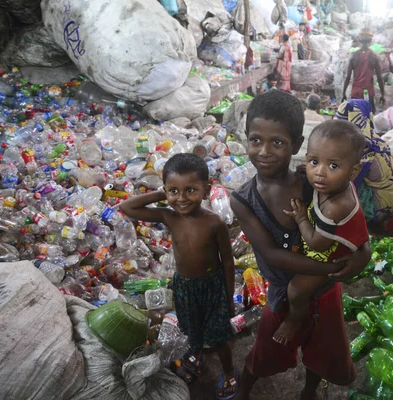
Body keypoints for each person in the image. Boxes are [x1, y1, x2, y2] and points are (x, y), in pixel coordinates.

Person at [230, 90, 371, 400]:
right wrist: (331, 268)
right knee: (266, 347)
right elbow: (270, 254)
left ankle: (309, 391)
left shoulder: (314, 183)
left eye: (277, 143)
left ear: (295, 145)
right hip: (285, 290)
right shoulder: (244, 200)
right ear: (246, 139)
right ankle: (244, 390)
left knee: (322, 350)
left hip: (324, 290)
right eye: (256, 140)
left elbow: (352, 227)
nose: (264, 151)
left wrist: (363, 255)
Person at [120, 154, 238, 399]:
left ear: (206, 190)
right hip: (185, 286)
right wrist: (163, 194)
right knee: (191, 328)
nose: (182, 198)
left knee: (220, 337)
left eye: (190, 190)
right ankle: (196, 357)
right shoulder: (168, 216)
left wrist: (228, 298)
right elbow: (127, 207)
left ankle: (228, 372)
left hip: (212, 287)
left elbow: (227, 262)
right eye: (175, 191)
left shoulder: (215, 222)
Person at [276, 120, 370, 344]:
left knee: (296, 290)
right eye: (313, 161)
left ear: (353, 171)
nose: (319, 173)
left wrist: (300, 217)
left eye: (333, 166)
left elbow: (318, 244)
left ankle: (294, 319)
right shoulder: (332, 185)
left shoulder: (336, 205)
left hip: (333, 256)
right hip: (332, 240)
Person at [335, 98, 393, 229]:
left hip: (378, 208)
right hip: (390, 200)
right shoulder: (375, 139)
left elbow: (349, 183)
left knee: (339, 185)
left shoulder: (364, 148)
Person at [342, 29, 385, 113]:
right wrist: (383, 95)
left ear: (359, 40)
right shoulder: (374, 56)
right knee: (369, 114)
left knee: (354, 115)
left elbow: (347, 77)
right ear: (371, 41)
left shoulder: (353, 56)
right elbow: (380, 78)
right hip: (368, 91)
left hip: (356, 92)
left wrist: (344, 93)